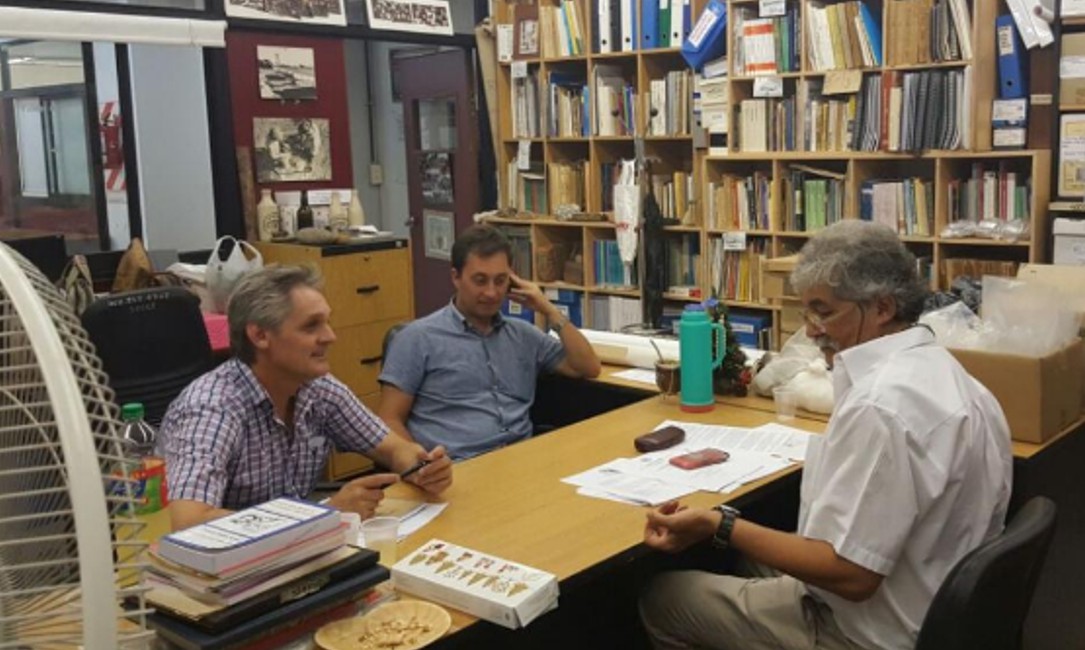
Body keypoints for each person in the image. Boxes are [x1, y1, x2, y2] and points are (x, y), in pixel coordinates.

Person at [638, 221, 1012, 650]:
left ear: (882, 307)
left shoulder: (880, 406)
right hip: (934, 598)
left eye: (825, 312)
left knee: (663, 598)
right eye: (808, 313)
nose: (812, 330)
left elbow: (851, 575)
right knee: (747, 560)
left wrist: (716, 523)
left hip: (869, 632)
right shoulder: (956, 377)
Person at [158, 265, 452, 532]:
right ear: (260, 336)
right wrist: (325, 514)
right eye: (311, 326)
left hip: (296, 551)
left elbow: (392, 449)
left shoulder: (317, 388)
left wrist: (422, 467)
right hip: (224, 565)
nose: (330, 336)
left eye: (327, 322)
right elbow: (189, 522)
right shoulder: (212, 407)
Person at [377, 224, 601, 460]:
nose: (492, 293)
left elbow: (588, 367)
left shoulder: (523, 335)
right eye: (480, 280)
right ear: (456, 277)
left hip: (521, 460)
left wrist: (548, 309)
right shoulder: (416, 338)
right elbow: (388, 420)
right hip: (457, 466)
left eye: (500, 280)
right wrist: (422, 466)